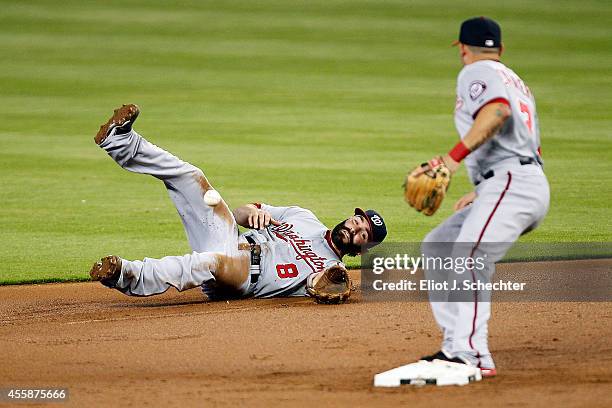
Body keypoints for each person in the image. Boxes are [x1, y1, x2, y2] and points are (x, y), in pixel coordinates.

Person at [89, 104, 387, 301]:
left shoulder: (332, 268)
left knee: (210, 262)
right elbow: (243, 213)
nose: (355, 229)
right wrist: (252, 214)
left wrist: (335, 284)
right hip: (229, 239)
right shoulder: (302, 216)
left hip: (242, 277)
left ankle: (125, 274)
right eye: (357, 221)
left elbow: (318, 288)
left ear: (363, 248)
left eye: (363, 234)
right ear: (350, 217)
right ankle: (121, 142)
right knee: (193, 177)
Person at [416, 17, 550, 377]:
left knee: (469, 255)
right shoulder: (514, 78)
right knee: (438, 247)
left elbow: (497, 112)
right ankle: (455, 346)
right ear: (501, 49)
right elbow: (519, 138)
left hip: (514, 183)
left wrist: (452, 159)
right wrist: (483, 189)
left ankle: (472, 355)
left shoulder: (478, 71)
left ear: (461, 49)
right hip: (516, 182)